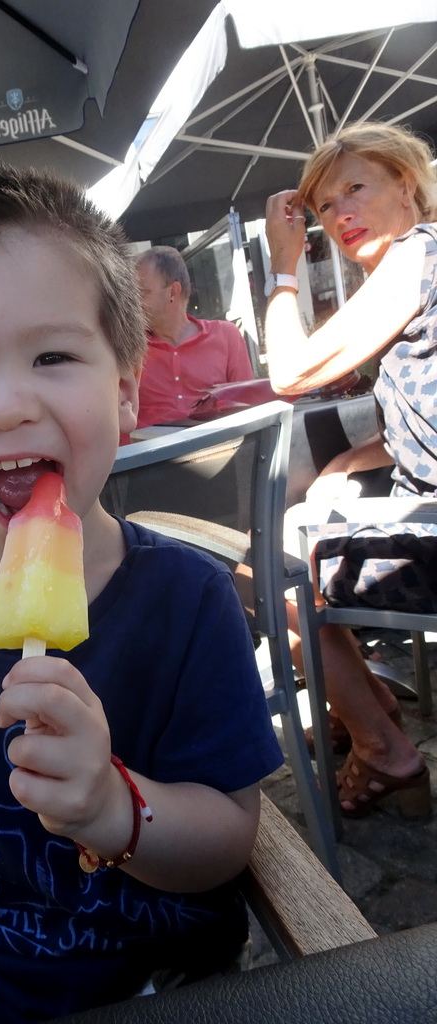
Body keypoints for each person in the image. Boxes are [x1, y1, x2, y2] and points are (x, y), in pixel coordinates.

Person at [0, 166, 283, 1024]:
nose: (7, 405)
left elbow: (229, 837)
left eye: (52, 357)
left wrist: (113, 808)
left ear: (125, 391)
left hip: (159, 978)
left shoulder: (190, 601)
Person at [264, 121, 437, 819]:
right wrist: (345, 462)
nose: (339, 215)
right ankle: (366, 702)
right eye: (326, 206)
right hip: (420, 506)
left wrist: (281, 268)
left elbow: (291, 372)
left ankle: (381, 744)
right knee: (287, 553)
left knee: (273, 574)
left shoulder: (418, 254)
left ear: (406, 184)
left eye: (353, 190)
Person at [132, 246, 254, 431]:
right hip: (151, 455)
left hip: (216, 452)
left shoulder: (226, 336)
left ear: (173, 292)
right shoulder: (129, 348)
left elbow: (248, 409)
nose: (134, 304)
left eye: (142, 293)